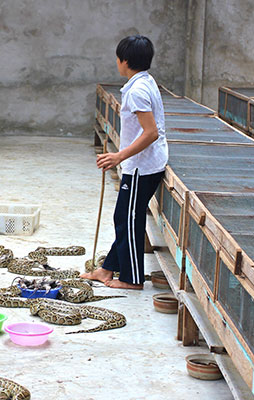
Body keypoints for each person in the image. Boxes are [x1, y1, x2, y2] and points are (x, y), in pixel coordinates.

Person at [80, 35, 168, 290]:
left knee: (128, 218)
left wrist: (119, 156)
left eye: (118, 58)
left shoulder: (138, 90)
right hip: (141, 164)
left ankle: (132, 279)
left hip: (142, 166)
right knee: (124, 216)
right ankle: (107, 269)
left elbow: (151, 132)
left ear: (124, 61)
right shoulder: (144, 82)